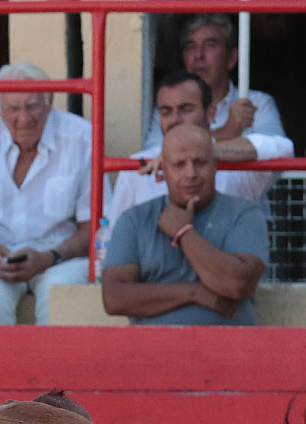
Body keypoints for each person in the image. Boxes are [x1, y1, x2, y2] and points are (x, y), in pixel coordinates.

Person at [0, 63, 92, 326]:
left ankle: (57, 369)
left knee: (60, 297)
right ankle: (1, 369)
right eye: (13, 108)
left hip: (60, 258)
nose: (24, 118)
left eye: (32, 105)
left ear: (49, 102)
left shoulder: (82, 138)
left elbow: (95, 226)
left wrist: (49, 257)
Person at [101, 124, 268, 326]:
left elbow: (238, 284)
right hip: (153, 352)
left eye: (200, 162)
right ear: (163, 171)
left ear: (215, 165)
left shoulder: (244, 213)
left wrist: (184, 233)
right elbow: (114, 297)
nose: (191, 173)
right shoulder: (135, 219)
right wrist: (193, 293)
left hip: (228, 350)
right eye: (179, 165)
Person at [105, 70, 293, 233]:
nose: (175, 119)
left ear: (211, 113)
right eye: (166, 112)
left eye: (186, 109)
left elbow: (284, 148)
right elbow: (113, 237)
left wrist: (201, 152)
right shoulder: (137, 167)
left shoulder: (238, 167)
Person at [143, 14, 285, 153]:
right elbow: (153, 155)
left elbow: (279, 150)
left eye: (210, 45)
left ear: (231, 58)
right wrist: (225, 133)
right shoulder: (170, 105)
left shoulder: (257, 103)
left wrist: (203, 145)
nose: (198, 55)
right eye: (190, 46)